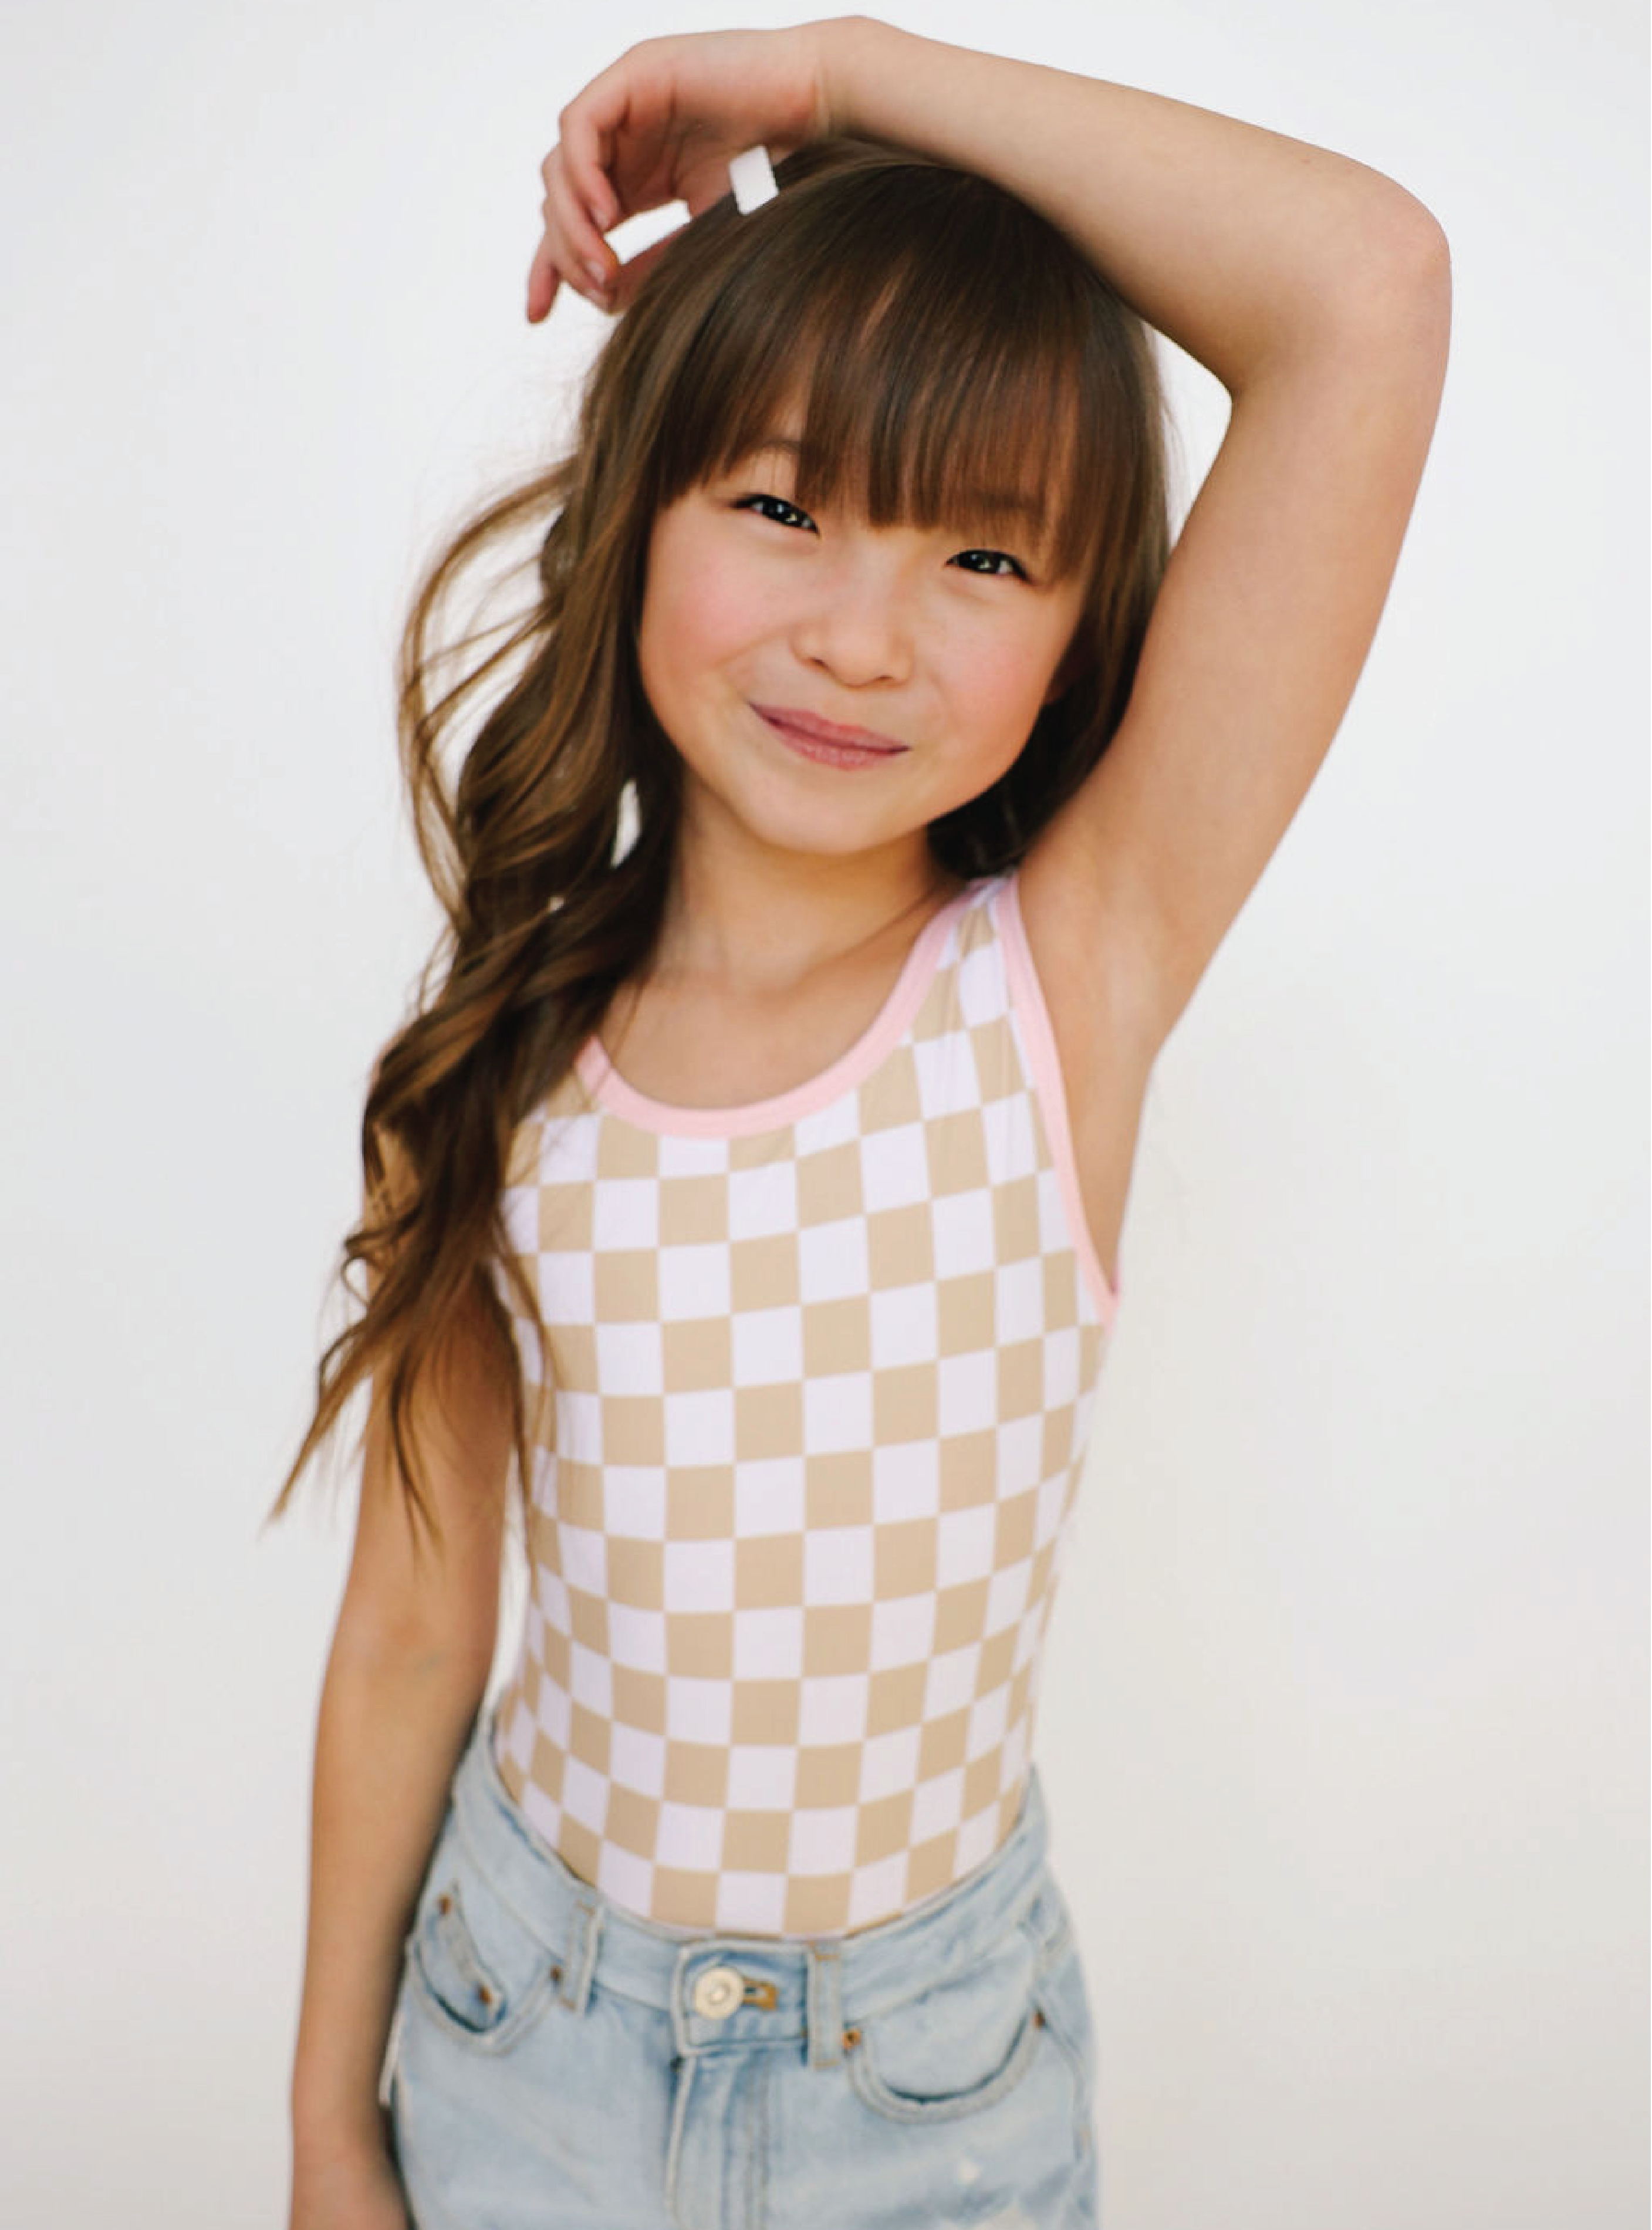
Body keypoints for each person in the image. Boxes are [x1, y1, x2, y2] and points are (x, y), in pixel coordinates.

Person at [276, 18, 1450, 2228]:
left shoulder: (1062, 984)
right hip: (521, 2047)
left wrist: (831, 76)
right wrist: (332, 2128)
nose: (858, 636)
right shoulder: (505, 1064)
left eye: (983, 559)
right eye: (782, 506)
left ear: (1084, 630)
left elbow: (1362, 287)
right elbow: (413, 1634)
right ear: (642, 508)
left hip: (926, 2107)